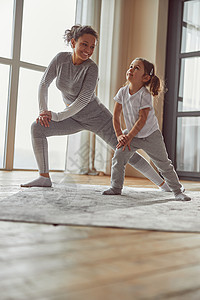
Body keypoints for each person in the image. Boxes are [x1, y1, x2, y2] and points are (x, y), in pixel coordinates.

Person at [21, 25, 171, 191]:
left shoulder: (91, 68)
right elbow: (44, 84)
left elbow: (83, 100)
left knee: (125, 151)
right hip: (71, 117)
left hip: (97, 117)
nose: (88, 50)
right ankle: (44, 177)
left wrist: (55, 116)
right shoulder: (60, 60)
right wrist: (43, 112)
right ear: (73, 42)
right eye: (84, 44)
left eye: (92, 47)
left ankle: (163, 184)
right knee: (37, 128)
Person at [102, 58, 191, 201]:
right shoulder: (122, 92)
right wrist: (120, 135)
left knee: (164, 164)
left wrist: (128, 137)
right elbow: (116, 116)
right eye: (131, 66)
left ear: (145, 77)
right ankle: (116, 187)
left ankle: (177, 191)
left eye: (136, 68)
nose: (131, 69)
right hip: (131, 135)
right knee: (118, 157)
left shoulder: (145, 95)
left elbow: (142, 120)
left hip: (151, 136)